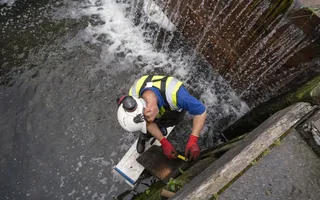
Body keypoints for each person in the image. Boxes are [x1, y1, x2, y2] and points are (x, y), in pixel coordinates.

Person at [117, 75, 206, 161]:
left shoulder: (179, 97)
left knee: (173, 120)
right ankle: (146, 134)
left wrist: (193, 140)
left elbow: (201, 111)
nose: (148, 123)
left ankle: (161, 125)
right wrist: (164, 142)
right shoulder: (134, 94)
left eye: (147, 121)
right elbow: (148, 122)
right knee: (149, 124)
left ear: (148, 112)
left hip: (171, 108)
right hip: (156, 109)